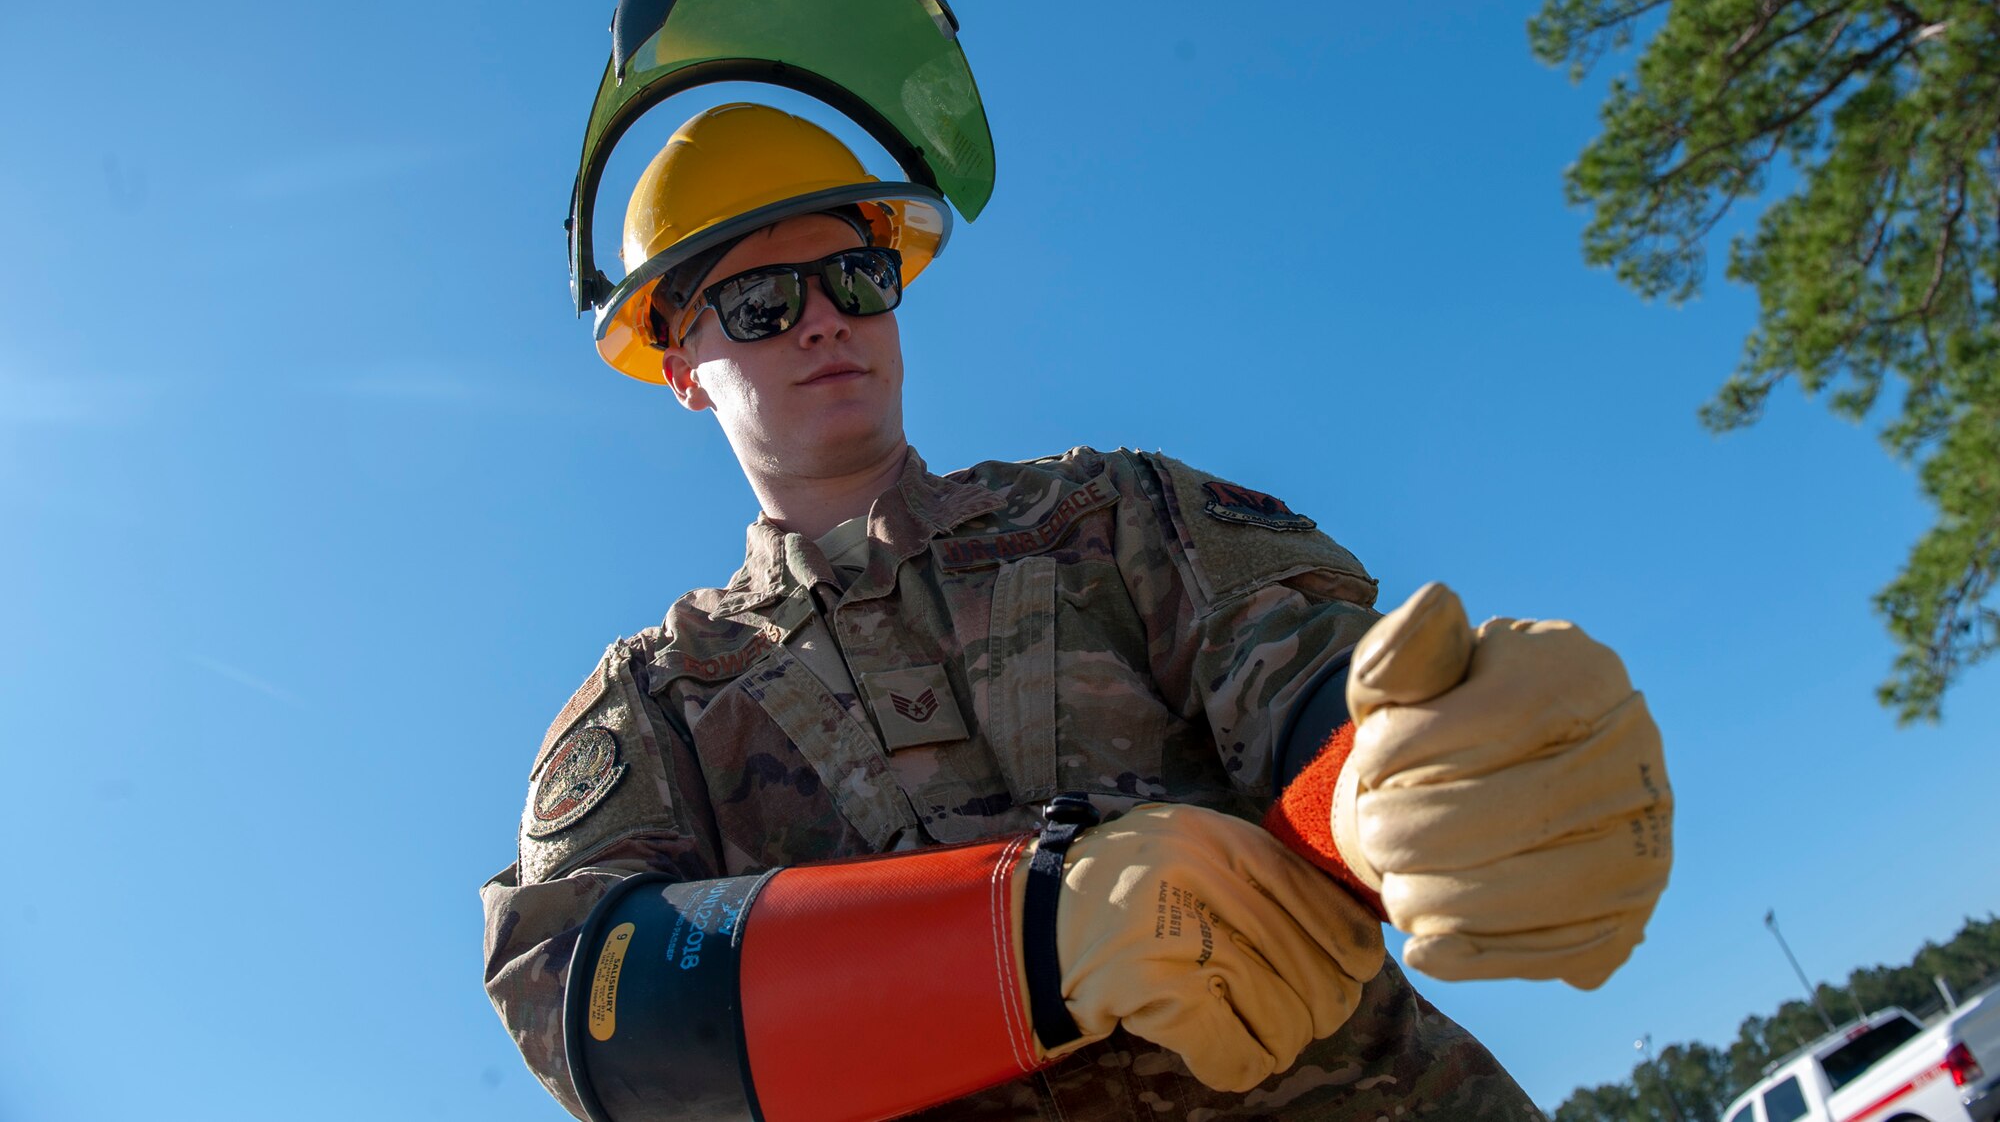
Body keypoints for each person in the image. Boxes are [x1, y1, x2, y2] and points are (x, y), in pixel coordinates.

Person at [481, 101, 1673, 1121]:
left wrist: (1394, 779)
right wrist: (1035, 940)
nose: (822, 318)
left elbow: (1304, 680)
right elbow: (591, 999)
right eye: (757, 302)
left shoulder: (1110, 511)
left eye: (856, 275)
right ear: (681, 365)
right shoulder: (659, 706)